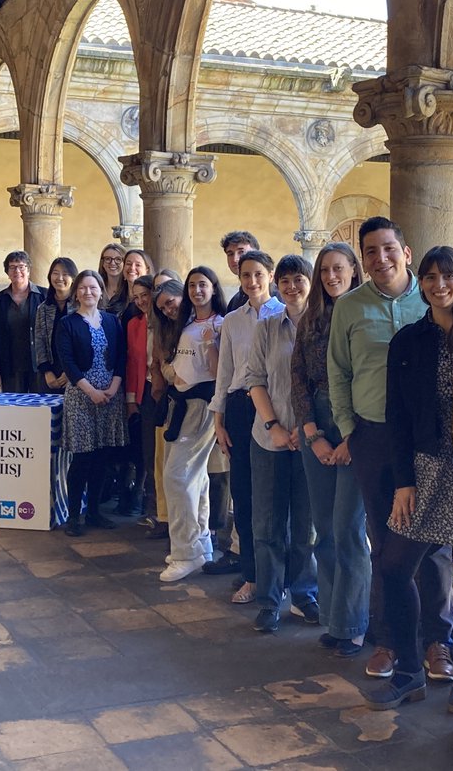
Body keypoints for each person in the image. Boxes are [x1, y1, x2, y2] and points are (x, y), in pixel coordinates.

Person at [327, 216, 452, 681]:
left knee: (434, 544)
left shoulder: (434, 297)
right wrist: (349, 429)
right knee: (384, 540)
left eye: (387, 248)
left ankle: (437, 641)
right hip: (374, 436)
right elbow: (337, 371)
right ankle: (390, 642)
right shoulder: (350, 307)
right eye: (371, 252)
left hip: (429, 441)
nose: (380, 259)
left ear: (406, 251)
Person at [364, 246, 453, 710]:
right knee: (394, 566)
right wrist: (404, 481)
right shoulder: (409, 341)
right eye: (430, 276)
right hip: (430, 468)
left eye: (447, 276)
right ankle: (412, 670)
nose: (439, 285)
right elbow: (396, 415)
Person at [293, 242, 369, 657]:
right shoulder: (312, 319)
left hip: (357, 424)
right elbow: (298, 377)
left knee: (348, 528)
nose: (331, 276)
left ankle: (355, 623)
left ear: (354, 271)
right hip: (317, 422)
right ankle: (334, 619)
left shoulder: (365, 315)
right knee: (323, 526)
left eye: (339, 268)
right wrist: (312, 432)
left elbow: (372, 378)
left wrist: (350, 437)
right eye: (324, 270)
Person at [243, 254, 319, 631]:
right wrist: (273, 425)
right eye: (285, 281)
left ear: (311, 282)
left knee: (306, 525)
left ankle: (305, 595)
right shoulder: (267, 327)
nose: (291, 287)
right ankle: (270, 601)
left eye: (298, 279)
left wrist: (307, 430)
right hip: (269, 438)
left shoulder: (324, 327)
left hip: (313, 440)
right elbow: (254, 379)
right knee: (269, 524)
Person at [210, 249, 285, 601]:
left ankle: (283, 579)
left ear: (269, 276)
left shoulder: (284, 314)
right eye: (245, 276)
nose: (252, 281)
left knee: (275, 496)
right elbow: (225, 369)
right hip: (241, 408)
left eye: (258, 274)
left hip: (275, 405)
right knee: (243, 493)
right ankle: (252, 576)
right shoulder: (233, 320)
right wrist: (219, 418)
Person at [156, 266, 226, 582]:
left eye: (203, 284)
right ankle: (200, 545)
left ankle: (185, 553)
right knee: (194, 479)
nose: (197, 290)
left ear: (213, 288)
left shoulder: (220, 323)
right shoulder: (187, 323)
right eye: (192, 285)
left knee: (177, 476)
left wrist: (213, 345)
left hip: (201, 406)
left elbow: (218, 372)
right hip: (181, 405)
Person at [56, 269, 128, 535]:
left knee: (102, 457)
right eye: (83, 288)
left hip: (111, 395)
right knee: (83, 458)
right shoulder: (68, 324)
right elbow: (69, 363)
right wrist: (91, 391)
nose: (88, 292)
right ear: (76, 292)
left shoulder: (112, 321)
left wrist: (113, 387)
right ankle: (75, 516)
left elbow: (122, 356)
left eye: (93, 287)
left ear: (101, 291)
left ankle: (96, 512)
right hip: (81, 397)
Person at [145, 274, 184, 539]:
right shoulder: (163, 330)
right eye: (163, 307)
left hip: (199, 403)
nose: (169, 310)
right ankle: (168, 519)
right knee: (167, 465)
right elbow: (161, 366)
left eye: (171, 302)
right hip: (170, 401)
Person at [120, 274, 157, 516]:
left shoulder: (171, 320)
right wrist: (131, 400)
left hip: (167, 392)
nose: (142, 301)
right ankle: (147, 502)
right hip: (144, 394)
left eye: (145, 295)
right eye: (137, 297)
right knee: (144, 451)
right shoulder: (134, 324)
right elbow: (132, 363)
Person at [0, 251, 47, 394]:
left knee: (39, 410)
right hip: (10, 365)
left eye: (21, 266)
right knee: (14, 410)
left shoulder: (44, 295)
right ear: (7, 272)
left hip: (38, 366)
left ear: (28, 270)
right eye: (12, 267)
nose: (17, 271)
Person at [34, 257, 78, 393]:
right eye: (55, 273)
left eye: (65, 274)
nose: (60, 278)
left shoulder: (80, 306)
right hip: (50, 374)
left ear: (73, 278)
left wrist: (70, 371)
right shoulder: (43, 307)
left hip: (76, 374)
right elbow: (39, 340)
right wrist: (47, 371)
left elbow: (82, 343)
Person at [97, 243, 127, 315]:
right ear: (102, 263)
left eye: (118, 259)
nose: (112, 263)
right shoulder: (96, 287)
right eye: (108, 259)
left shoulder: (129, 289)